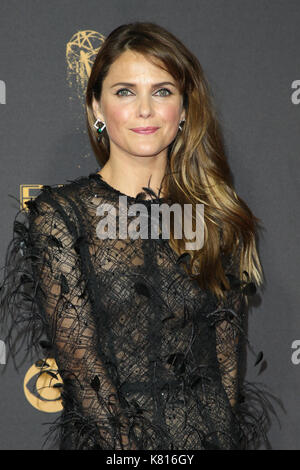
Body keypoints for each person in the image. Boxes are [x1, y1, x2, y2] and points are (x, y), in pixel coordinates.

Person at [0, 21, 280, 450]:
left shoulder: (215, 218)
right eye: (125, 91)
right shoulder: (61, 217)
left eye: (163, 91)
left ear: (184, 109)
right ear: (96, 107)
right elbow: (84, 372)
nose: (145, 109)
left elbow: (225, 373)